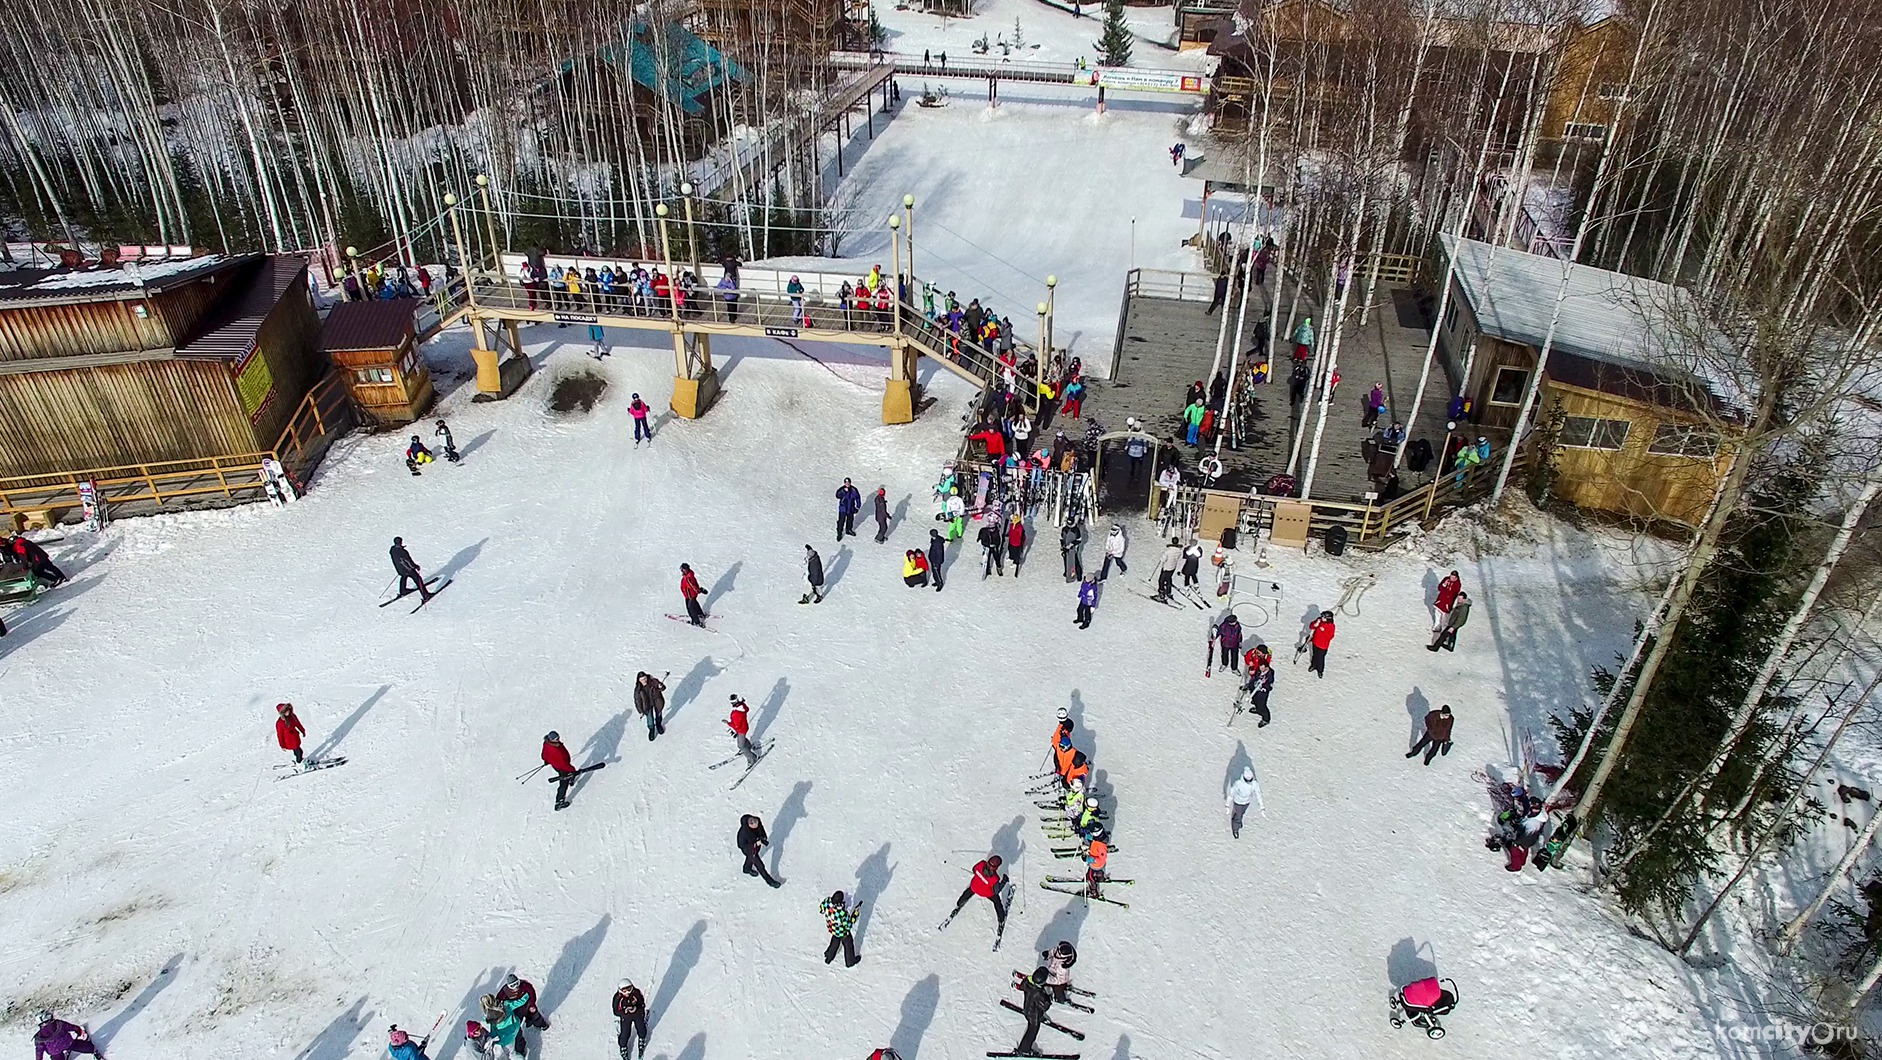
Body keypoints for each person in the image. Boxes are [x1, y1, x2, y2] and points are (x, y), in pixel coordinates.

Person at [949, 855, 1008, 933]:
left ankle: (959, 904)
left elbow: (974, 869)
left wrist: (981, 876)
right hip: (986, 893)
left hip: (974, 886)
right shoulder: (994, 878)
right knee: (996, 901)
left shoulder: (981, 864)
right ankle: (1001, 919)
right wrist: (1004, 881)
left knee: (968, 892)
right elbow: (996, 891)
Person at [1013, 968, 1054, 1055]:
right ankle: (1024, 1049)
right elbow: (1044, 1006)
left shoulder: (1027, 982)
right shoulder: (1039, 994)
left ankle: (1025, 1048)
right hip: (1034, 1016)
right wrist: (1048, 999)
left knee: (1032, 1026)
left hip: (1027, 1008)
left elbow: (1022, 986)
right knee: (1032, 1031)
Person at [737, 813, 782, 887]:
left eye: (754, 819)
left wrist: (763, 839)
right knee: (760, 865)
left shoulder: (758, 822)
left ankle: (746, 869)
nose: (754, 822)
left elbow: (762, 833)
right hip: (749, 849)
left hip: (756, 847)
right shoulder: (744, 832)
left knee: (750, 859)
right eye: (751, 823)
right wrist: (755, 843)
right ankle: (771, 882)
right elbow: (741, 845)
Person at [33, 1011, 101, 1060]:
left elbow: (39, 1050)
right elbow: (70, 1027)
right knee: (78, 1045)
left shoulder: (39, 1037)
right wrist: (78, 1030)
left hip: (55, 1051)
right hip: (67, 1042)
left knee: (56, 1057)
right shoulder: (59, 1024)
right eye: (49, 1016)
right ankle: (92, 1049)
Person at [821, 890, 861, 966]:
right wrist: (855, 913)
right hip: (843, 932)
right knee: (848, 945)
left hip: (833, 929)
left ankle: (829, 956)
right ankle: (850, 961)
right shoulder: (841, 914)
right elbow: (849, 925)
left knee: (835, 941)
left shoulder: (826, 902)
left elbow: (821, 909)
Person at [480, 994, 527, 1060]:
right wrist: (527, 994)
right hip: (515, 1028)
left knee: (511, 1054)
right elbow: (520, 1002)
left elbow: (493, 1032)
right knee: (518, 1038)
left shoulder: (488, 1018)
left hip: (506, 1038)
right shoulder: (506, 1005)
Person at [1226, 765, 1265, 839]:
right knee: (1238, 815)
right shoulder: (1238, 783)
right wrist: (1227, 805)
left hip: (1247, 802)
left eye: (1250, 780)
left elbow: (1258, 794)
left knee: (1242, 813)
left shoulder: (1254, 784)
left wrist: (1262, 807)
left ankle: (1238, 820)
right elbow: (1231, 794)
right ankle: (1235, 829)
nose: (1249, 782)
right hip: (1238, 802)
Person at [613, 980, 649, 1059]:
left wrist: (636, 1009)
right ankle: (623, 1047)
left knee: (641, 1029)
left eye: (629, 989)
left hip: (637, 1015)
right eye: (624, 991)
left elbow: (642, 1004)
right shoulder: (618, 997)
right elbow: (615, 1011)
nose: (627, 993)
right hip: (626, 1018)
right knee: (625, 1034)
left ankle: (642, 1039)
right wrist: (624, 1012)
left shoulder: (636, 993)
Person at [542, 731, 578, 810]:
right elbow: (564, 765)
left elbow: (544, 754)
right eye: (556, 739)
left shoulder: (546, 743)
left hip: (557, 766)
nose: (558, 739)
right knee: (563, 785)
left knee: (569, 775)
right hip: (563, 769)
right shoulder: (556, 750)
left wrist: (547, 760)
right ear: (551, 739)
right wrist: (572, 770)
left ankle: (571, 778)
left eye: (558, 737)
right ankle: (559, 802)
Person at [390, 537, 432, 602]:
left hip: (399, 569)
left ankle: (403, 591)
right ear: (400, 542)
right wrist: (415, 566)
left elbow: (398, 557)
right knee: (418, 579)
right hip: (408, 569)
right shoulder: (403, 552)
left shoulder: (392, 550)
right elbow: (408, 561)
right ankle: (425, 595)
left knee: (403, 577)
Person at [727, 695, 761, 768]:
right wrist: (742, 703)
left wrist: (728, 723)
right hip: (744, 727)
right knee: (742, 739)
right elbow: (747, 709)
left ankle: (753, 758)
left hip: (741, 730)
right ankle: (748, 747)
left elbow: (737, 726)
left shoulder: (736, 713)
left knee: (740, 746)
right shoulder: (742, 707)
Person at [634, 671, 667, 741]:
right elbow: (637, 701)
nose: (644, 681)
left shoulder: (653, 681)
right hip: (647, 705)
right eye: (642, 679)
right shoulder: (638, 689)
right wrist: (640, 711)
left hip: (657, 701)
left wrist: (660, 687)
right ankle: (651, 729)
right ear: (639, 680)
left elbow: (662, 688)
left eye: (645, 678)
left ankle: (658, 725)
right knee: (650, 719)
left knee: (658, 714)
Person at [1242, 661, 1275, 725]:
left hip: (1262, 694)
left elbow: (1270, 686)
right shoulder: (1259, 671)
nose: (1261, 669)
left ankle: (1266, 719)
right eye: (1260, 668)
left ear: (1266, 668)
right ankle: (1257, 708)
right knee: (1255, 700)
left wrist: (1264, 688)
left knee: (1262, 706)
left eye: (1262, 668)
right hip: (1255, 691)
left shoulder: (1269, 675)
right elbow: (1254, 679)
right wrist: (1249, 686)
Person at [1306, 611, 1336, 677]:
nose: (1322, 618)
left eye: (1324, 617)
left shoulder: (1331, 626)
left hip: (1323, 645)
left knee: (1320, 658)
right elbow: (1311, 626)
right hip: (1315, 642)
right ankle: (1313, 665)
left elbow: (1330, 636)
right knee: (1314, 655)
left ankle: (1320, 670)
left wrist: (1324, 631)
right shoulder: (1319, 620)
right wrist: (1315, 624)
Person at [1155, 537, 1182, 602]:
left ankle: (1161, 594)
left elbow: (1163, 559)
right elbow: (1179, 559)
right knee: (1169, 578)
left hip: (1166, 567)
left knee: (1161, 580)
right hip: (1173, 567)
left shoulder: (1168, 551)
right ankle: (1168, 592)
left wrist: (1162, 557)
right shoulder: (1179, 551)